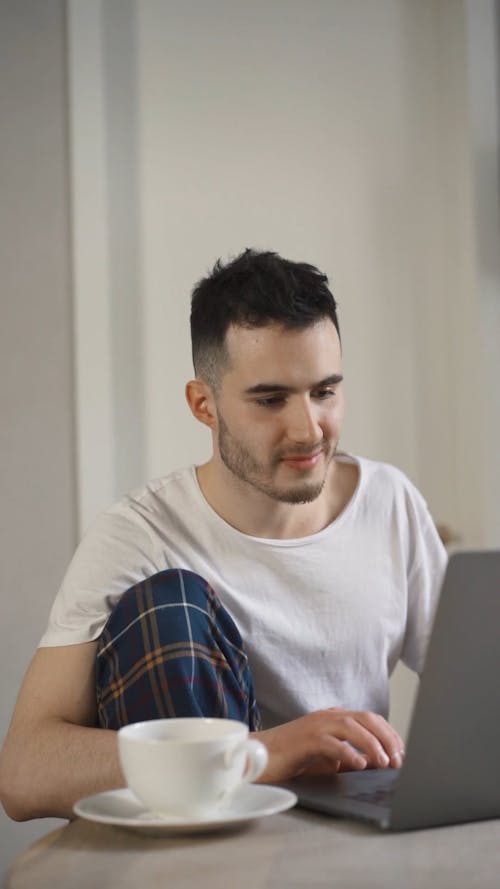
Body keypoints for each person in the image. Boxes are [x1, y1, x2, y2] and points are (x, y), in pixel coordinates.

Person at [0, 249, 447, 821]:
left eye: (325, 391)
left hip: (354, 828)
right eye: (270, 399)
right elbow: (23, 772)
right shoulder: (139, 534)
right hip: (214, 835)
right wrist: (261, 751)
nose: (308, 428)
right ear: (203, 405)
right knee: (172, 605)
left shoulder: (390, 502)